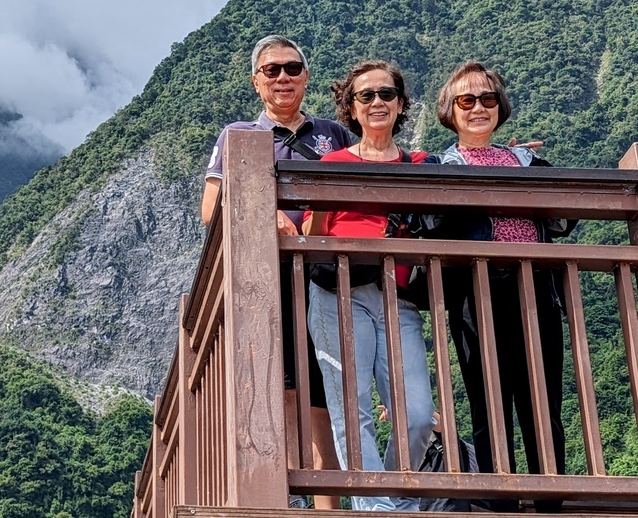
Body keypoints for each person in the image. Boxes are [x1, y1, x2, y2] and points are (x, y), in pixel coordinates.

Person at [201, 35, 352, 510]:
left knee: (327, 390)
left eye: (291, 68)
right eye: (272, 70)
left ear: (305, 76)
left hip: (329, 275)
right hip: (269, 281)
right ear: (256, 81)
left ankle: (328, 504)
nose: (283, 77)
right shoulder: (238, 135)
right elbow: (211, 210)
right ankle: (289, 503)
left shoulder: (334, 134)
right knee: (286, 389)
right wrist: (267, 212)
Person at [426, 61, 572, 513]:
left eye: (487, 99)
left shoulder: (526, 160)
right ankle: (499, 498)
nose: (478, 108)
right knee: (488, 396)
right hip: (477, 294)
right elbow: (428, 222)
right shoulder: (441, 165)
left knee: (542, 395)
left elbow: (565, 218)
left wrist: (532, 171)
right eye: (466, 100)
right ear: (449, 111)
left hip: (536, 289)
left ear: (500, 107)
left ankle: (551, 496)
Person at [304, 59, 435, 512]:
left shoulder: (422, 164)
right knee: (350, 408)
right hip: (338, 292)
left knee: (417, 415)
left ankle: (397, 500)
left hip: (399, 296)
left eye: (386, 94)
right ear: (351, 108)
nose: (377, 102)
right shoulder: (333, 162)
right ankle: (376, 509)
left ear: (400, 105)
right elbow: (313, 229)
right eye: (366, 96)